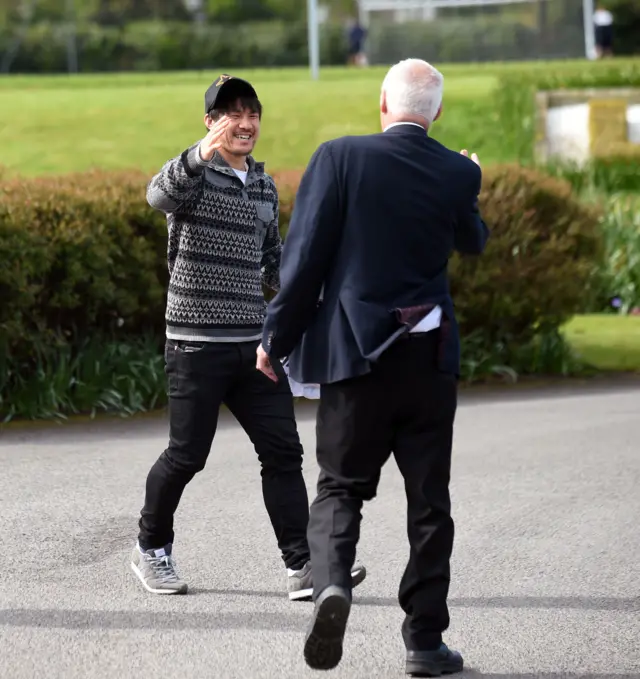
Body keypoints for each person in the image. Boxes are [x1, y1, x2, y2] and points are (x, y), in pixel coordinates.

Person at [256, 59, 489, 675]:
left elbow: (304, 259)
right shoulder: (456, 171)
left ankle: (333, 584)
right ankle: (424, 643)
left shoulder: (338, 157)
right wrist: (470, 180)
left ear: (383, 103)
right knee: (429, 502)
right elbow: (474, 241)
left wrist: (275, 336)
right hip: (430, 359)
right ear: (437, 112)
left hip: (356, 355)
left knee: (339, 488)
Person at [130, 73, 366, 601]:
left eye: (253, 112)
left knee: (283, 452)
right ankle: (151, 548)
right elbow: (156, 195)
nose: (246, 122)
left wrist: (319, 304)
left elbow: (274, 266)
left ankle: (303, 565)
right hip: (194, 342)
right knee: (187, 455)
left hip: (254, 345)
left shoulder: (261, 184)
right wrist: (197, 154)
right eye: (232, 113)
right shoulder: (193, 175)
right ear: (211, 123)